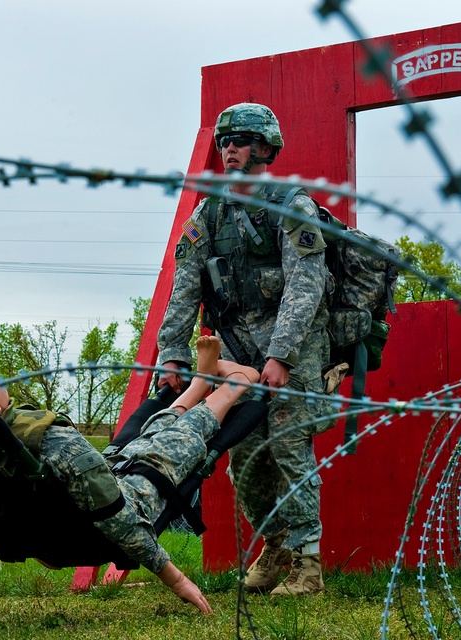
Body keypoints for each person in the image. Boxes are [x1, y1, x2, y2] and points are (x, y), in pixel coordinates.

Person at [0, 335, 260, 614]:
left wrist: (39, 546)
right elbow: (116, 515)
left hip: (89, 495)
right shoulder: (46, 438)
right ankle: (234, 384)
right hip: (132, 498)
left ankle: (201, 383)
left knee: (147, 436)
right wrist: (174, 578)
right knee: (183, 436)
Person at [155, 103, 334, 596]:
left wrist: (282, 355)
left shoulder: (291, 206)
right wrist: (171, 353)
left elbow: (306, 282)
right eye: (224, 142)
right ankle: (276, 547)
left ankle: (309, 565)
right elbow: (185, 283)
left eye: (239, 141)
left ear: (264, 148)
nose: (229, 149)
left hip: (294, 351)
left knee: (289, 450)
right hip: (239, 356)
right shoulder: (211, 211)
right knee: (246, 459)